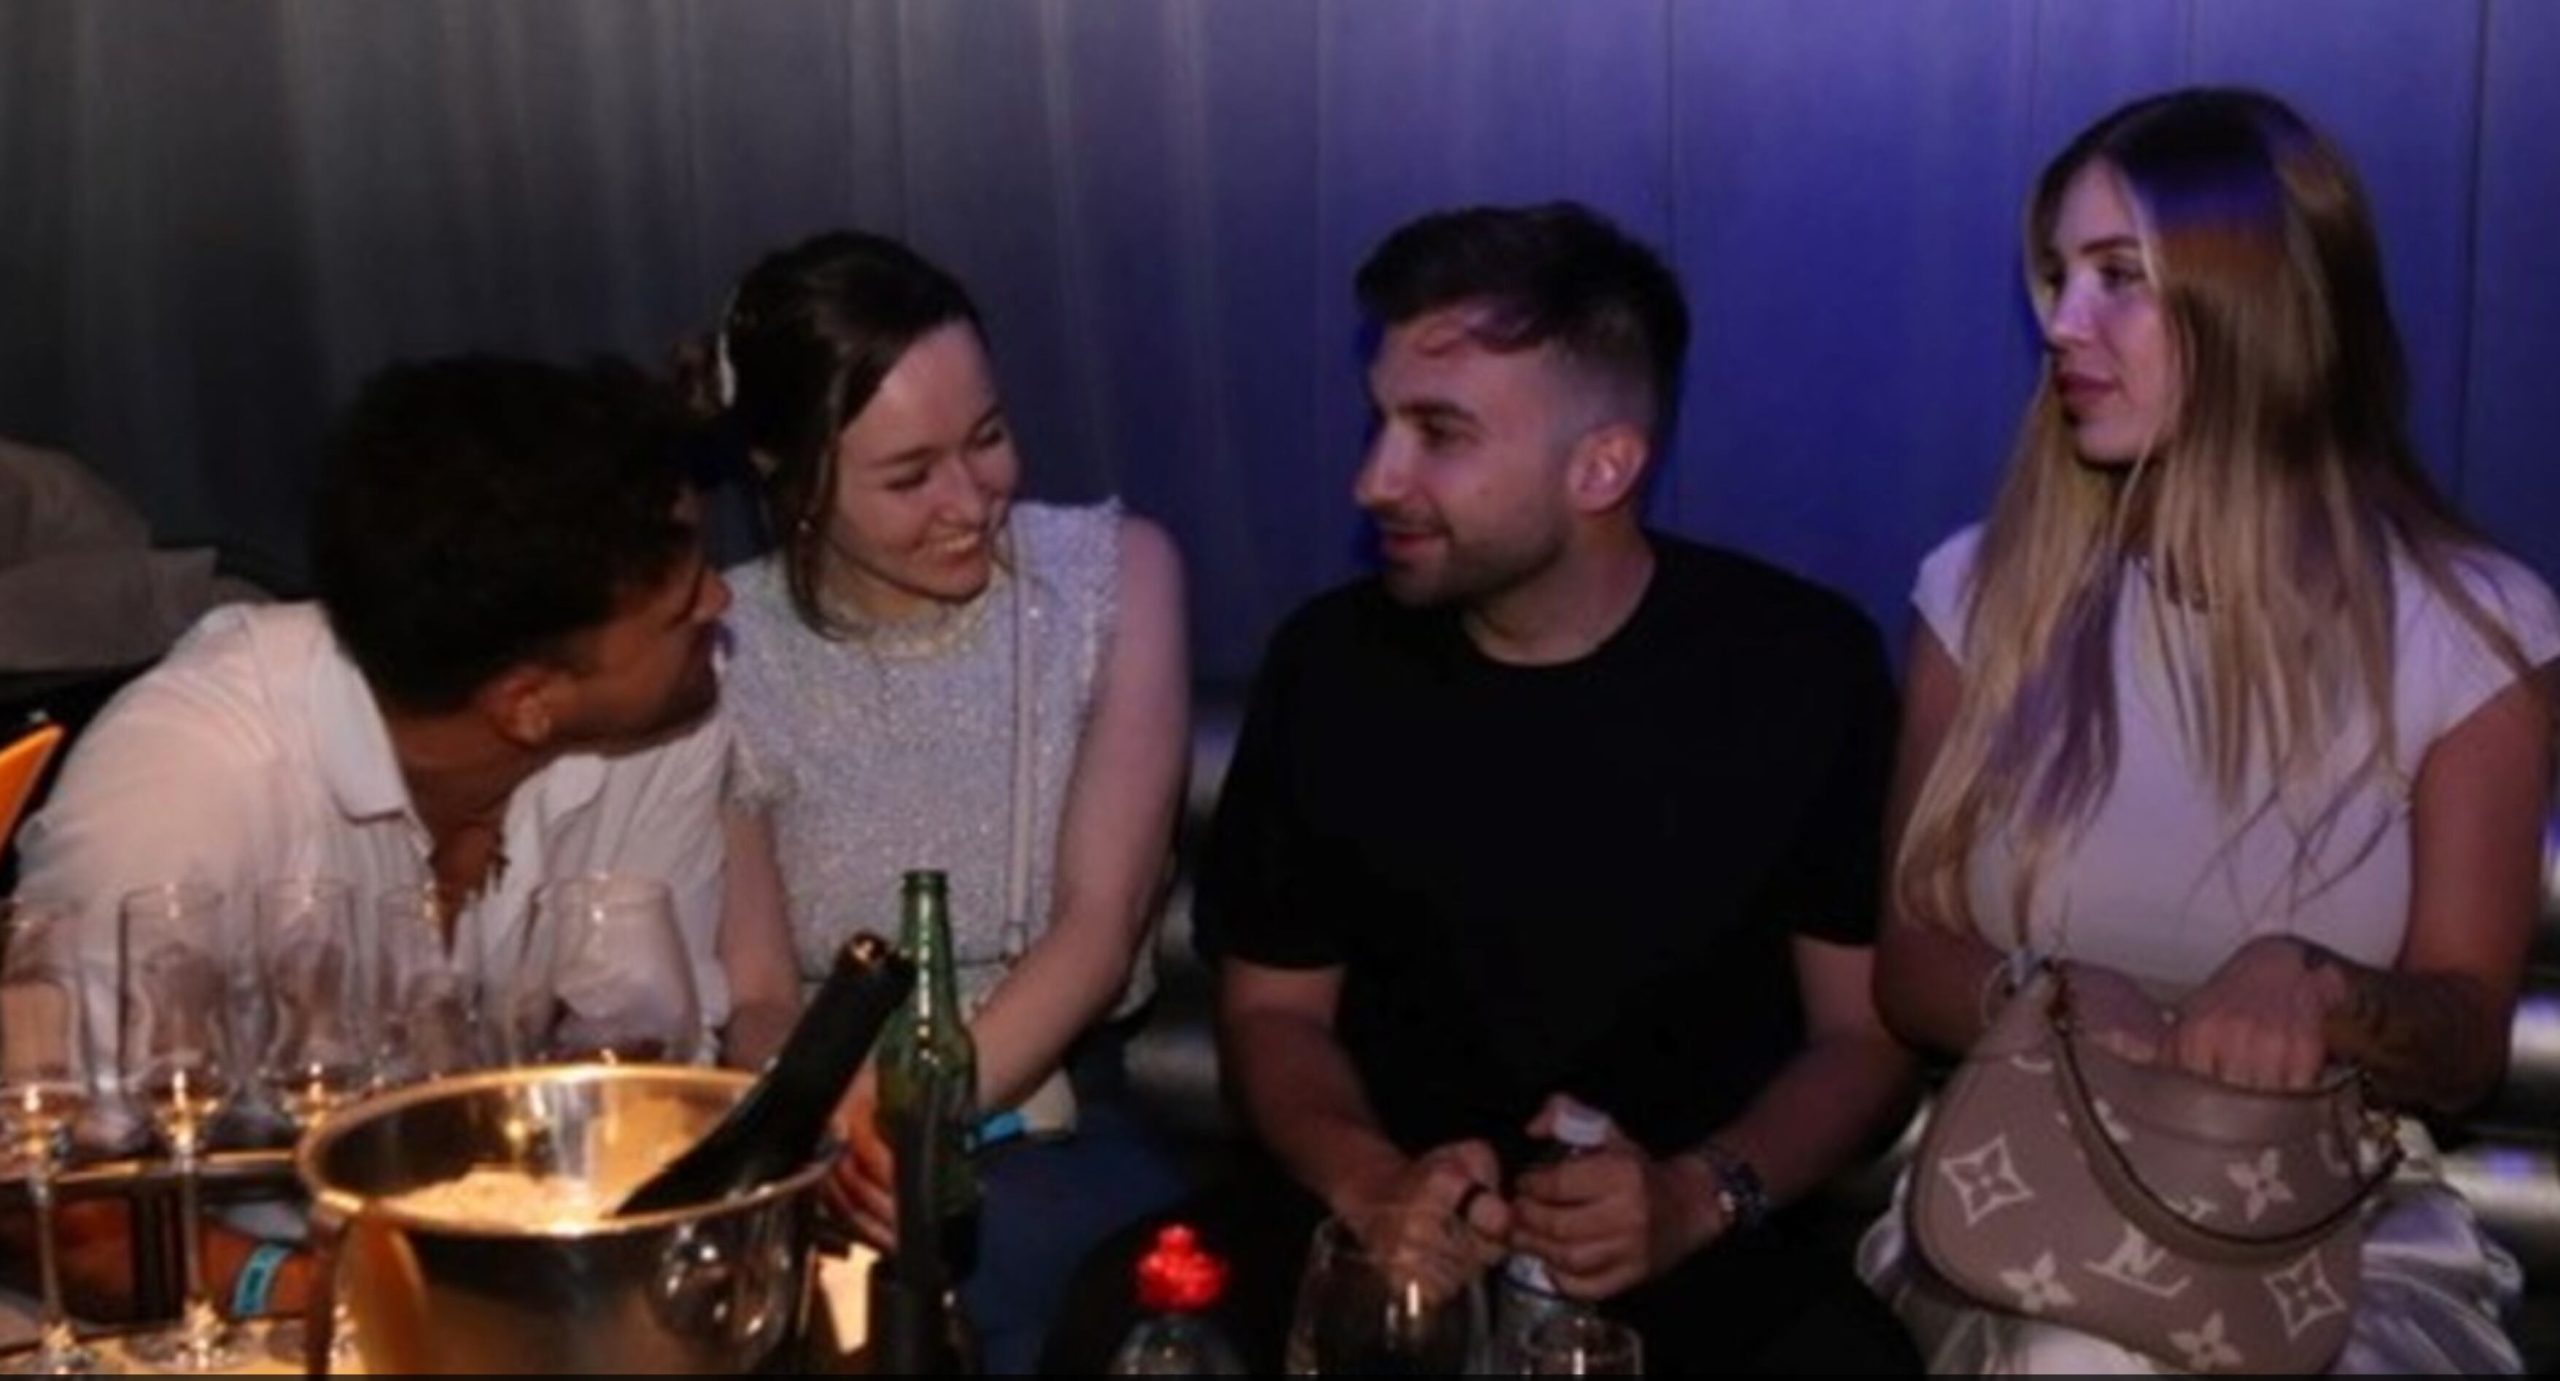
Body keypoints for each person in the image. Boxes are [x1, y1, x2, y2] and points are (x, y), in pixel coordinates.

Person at [1857, 88, 2557, 1374]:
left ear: (2264, 304)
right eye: (2058, 276)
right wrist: (2047, 990)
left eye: (2118, 276)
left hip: (2335, 1220)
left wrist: (2320, 988)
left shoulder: (2472, 628)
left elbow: (2461, 1043)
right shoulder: (1984, 594)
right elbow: (1908, 963)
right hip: (2018, 1191)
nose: (2061, 324)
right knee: (2069, 1357)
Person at [1171, 201, 1920, 1374]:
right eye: (1379, 422)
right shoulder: (1329, 665)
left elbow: (1863, 1035)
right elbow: (1272, 1013)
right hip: (1372, 1221)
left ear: (1602, 465)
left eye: (1438, 432)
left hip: (1698, 1254)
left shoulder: (1798, 668)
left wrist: (1694, 1195)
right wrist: (1373, 1186)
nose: (1374, 479)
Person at [7, 355, 798, 1320]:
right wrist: (324, 1295)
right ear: (527, 703)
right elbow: (43, 1203)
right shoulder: (189, 786)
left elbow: (634, 1096)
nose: (721, 603)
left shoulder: (662, 724)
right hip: (197, 1321)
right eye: (680, 606)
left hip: (508, 1290)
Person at [700, 229, 1192, 1374]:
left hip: (1053, 1112)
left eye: (988, 437)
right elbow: (758, 994)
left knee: (965, 1283)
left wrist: (913, 1125)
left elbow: (1099, 922)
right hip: (823, 1125)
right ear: (787, 472)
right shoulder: (722, 639)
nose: (971, 499)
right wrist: (832, 1126)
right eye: (909, 475)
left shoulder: (1115, 575)